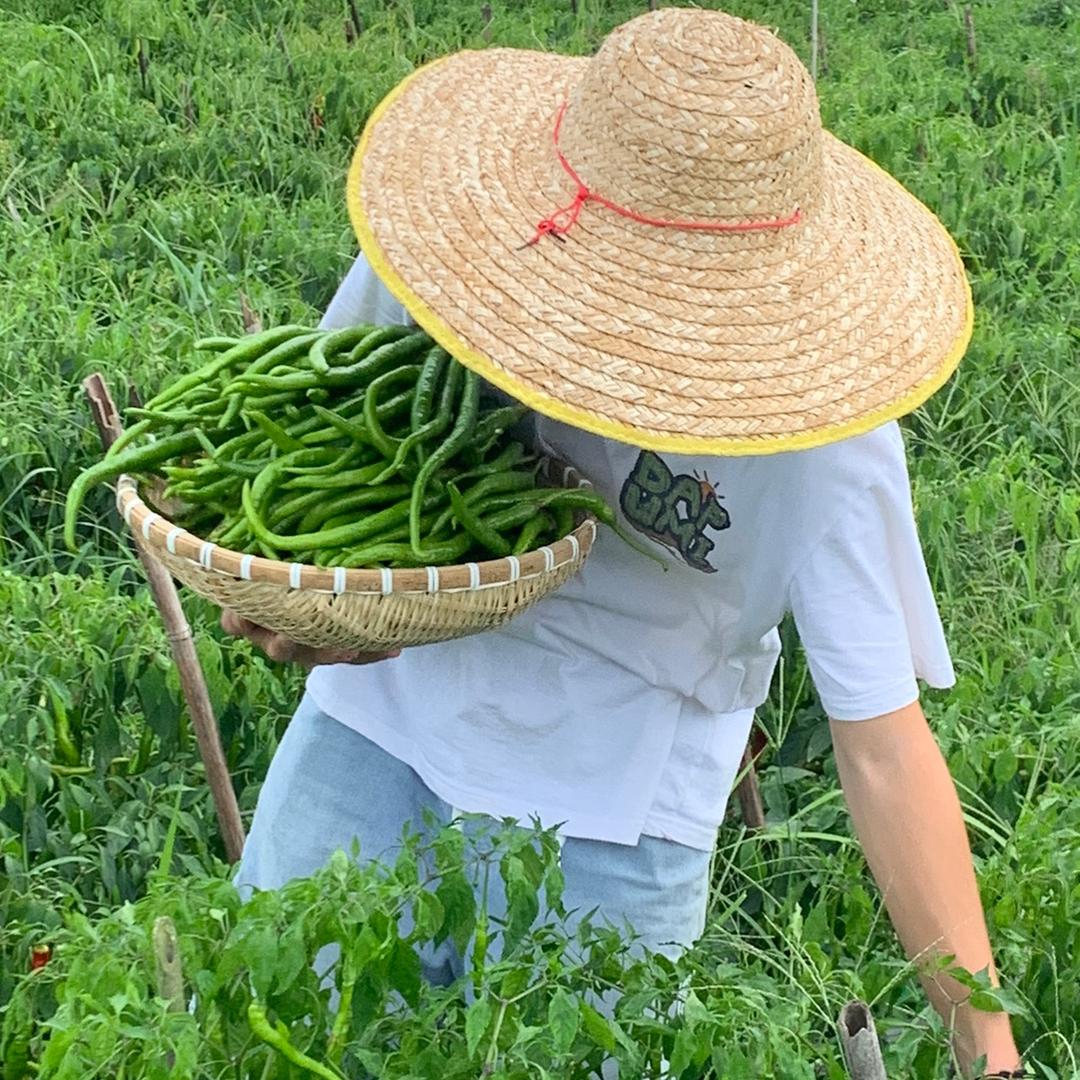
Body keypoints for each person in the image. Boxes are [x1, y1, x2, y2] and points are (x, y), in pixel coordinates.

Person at [225, 8, 1025, 1076]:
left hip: (614, 810)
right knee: (266, 1033)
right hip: (380, 723)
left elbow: (882, 744)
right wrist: (289, 593)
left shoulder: (825, 435)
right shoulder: (456, 243)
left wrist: (990, 1055)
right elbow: (312, 447)